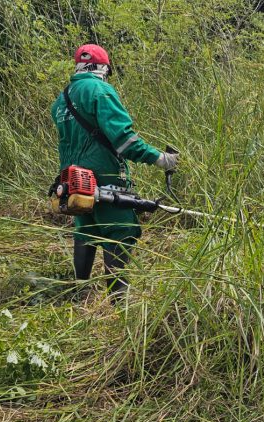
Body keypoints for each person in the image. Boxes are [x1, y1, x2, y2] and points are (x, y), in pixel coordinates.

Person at [51, 44, 178, 297]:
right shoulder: (101, 90)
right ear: (104, 68)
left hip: (74, 181)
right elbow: (124, 140)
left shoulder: (62, 99)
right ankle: (119, 303)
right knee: (121, 231)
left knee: (86, 230)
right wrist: (161, 159)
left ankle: (80, 295)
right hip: (106, 177)